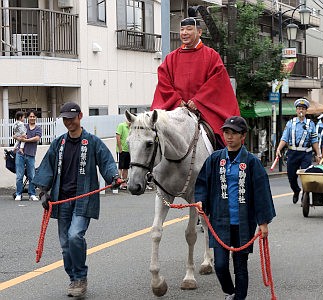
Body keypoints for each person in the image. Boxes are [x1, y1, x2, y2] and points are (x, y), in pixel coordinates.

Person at [32, 102, 121, 297]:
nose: (68, 122)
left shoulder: (92, 142)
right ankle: (73, 279)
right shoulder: (59, 143)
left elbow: (106, 161)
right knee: (65, 245)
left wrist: (114, 177)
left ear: (80, 116)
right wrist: (43, 192)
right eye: (65, 119)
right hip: (62, 200)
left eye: (71, 118)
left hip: (83, 199)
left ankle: (81, 276)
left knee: (74, 236)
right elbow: (46, 167)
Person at [195, 116, 276, 300]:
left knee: (240, 266)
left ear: (243, 136)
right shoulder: (215, 159)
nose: (229, 137)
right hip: (220, 221)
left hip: (243, 223)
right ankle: (231, 293)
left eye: (234, 133)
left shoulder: (252, 162)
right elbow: (202, 184)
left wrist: (263, 222)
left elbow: (261, 192)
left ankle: (239, 297)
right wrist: (200, 200)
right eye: (226, 133)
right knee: (220, 265)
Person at [151, 17, 240, 149]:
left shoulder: (211, 56)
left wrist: (198, 101)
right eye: (182, 29)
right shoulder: (171, 58)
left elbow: (216, 82)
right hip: (176, 110)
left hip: (203, 112)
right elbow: (164, 81)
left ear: (199, 32)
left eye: (189, 29)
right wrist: (177, 100)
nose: (184, 33)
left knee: (220, 142)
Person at [275, 98, 321, 204]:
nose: (301, 111)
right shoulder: (290, 123)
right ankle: (296, 190)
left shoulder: (311, 124)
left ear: (306, 111)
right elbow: (284, 138)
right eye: (299, 108)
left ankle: (305, 195)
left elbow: (314, 140)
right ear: (296, 110)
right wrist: (278, 149)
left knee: (305, 174)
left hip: (306, 153)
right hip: (293, 153)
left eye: (303, 109)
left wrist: (318, 153)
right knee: (291, 176)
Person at [13, 110, 42, 201]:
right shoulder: (23, 126)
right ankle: (18, 194)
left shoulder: (38, 128)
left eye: (34, 116)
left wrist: (25, 140)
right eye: (30, 116)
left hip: (31, 154)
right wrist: (19, 138)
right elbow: (14, 136)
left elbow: (37, 138)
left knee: (31, 176)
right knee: (19, 176)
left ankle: (32, 194)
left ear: (36, 118)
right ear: (28, 117)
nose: (32, 118)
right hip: (20, 154)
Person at [116, 118, 131, 190]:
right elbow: (118, 137)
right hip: (122, 150)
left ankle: (124, 183)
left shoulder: (131, 128)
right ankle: (118, 183)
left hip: (128, 150)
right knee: (120, 167)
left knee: (126, 168)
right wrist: (120, 149)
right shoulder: (121, 125)